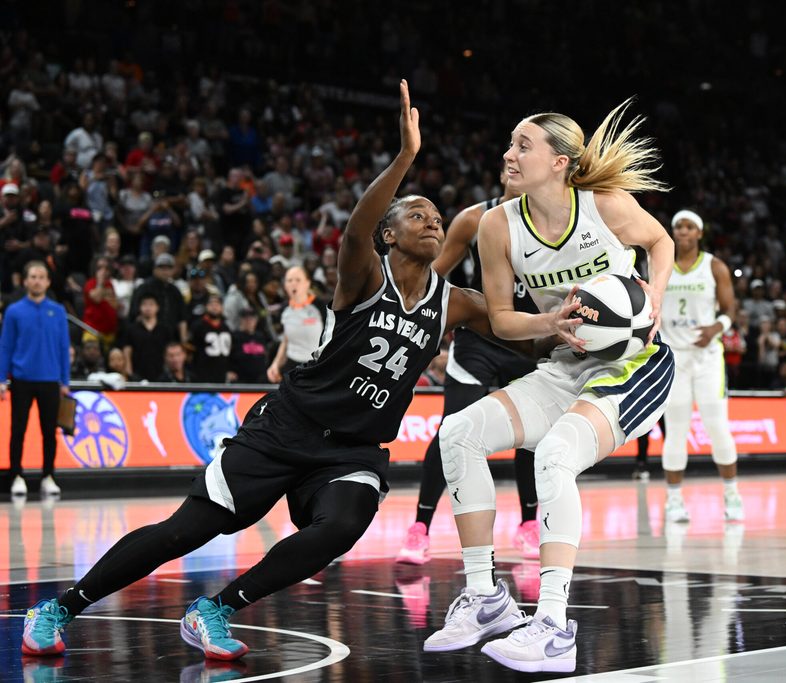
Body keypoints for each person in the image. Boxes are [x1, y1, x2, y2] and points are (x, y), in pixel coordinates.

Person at [19, 80, 501, 663]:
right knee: (184, 532)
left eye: (437, 215)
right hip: (286, 427)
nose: (433, 219)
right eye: (417, 213)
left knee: (341, 524)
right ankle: (60, 606)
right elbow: (353, 230)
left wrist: (566, 317)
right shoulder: (366, 276)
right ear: (389, 234)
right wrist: (405, 158)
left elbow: (512, 320)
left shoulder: (452, 300)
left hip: (350, 449)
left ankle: (215, 608)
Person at [426, 99, 674, 673]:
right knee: (458, 433)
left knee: (555, 455)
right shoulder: (496, 226)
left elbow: (659, 243)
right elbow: (503, 319)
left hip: (634, 364)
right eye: (510, 144)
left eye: (522, 145)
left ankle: (555, 626)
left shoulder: (606, 207)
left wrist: (654, 295)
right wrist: (549, 324)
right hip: (565, 363)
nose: (508, 154)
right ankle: (486, 598)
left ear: (560, 162)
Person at [396, 171, 541, 566]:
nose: (516, 165)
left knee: (530, 435)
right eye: (510, 157)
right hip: (480, 335)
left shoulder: (555, 222)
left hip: (527, 340)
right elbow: (432, 277)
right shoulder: (475, 219)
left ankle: (530, 523)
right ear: (499, 173)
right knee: (451, 428)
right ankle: (420, 528)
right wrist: (423, 333)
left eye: (524, 155)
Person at [658, 210, 744, 524]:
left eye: (688, 226)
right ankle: (673, 501)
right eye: (678, 226)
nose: (682, 231)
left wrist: (715, 328)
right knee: (676, 431)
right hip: (674, 358)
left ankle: (732, 495)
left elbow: (730, 309)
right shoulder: (660, 262)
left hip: (708, 359)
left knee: (717, 427)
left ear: (699, 233)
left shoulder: (714, 266)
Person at [0, 262, 70, 497]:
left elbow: (63, 347)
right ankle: (16, 476)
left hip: (50, 380)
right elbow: (6, 346)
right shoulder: (14, 311)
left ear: (48, 282)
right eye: (33, 276)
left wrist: (65, 381)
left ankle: (48, 476)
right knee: (17, 430)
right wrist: (1, 378)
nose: (37, 280)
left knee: (49, 432)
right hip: (22, 379)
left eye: (41, 277)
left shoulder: (58, 311)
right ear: (25, 281)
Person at [266, 266, 325, 382]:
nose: (294, 284)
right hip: (292, 367)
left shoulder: (320, 307)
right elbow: (286, 340)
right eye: (289, 280)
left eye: (298, 280)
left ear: (307, 283)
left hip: (316, 367)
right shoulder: (285, 309)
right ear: (285, 286)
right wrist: (276, 364)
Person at [122, 292, 175, 382]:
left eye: (151, 304)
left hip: (161, 374)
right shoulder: (132, 329)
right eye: (144, 304)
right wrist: (129, 371)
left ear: (157, 307)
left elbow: (170, 350)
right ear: (140, 307)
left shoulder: (165, 329)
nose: (148, 308)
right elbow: (127, 350)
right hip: (137, 374)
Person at [189, 294, 231, 383]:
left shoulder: (226, 327)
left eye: (217, 304)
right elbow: (189, 347)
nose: (214, 307)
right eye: (211, 304)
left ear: (222, 307)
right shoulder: (198, 326)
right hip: (202, 374)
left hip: (222, 374)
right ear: (206, 306)